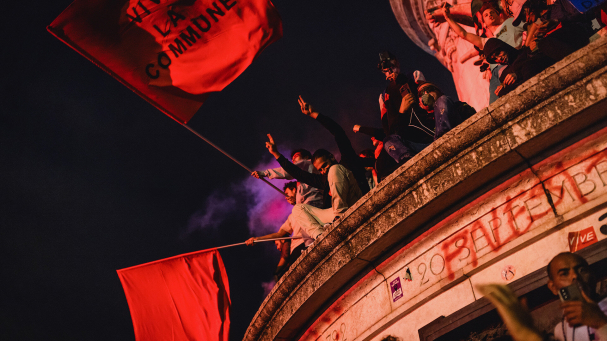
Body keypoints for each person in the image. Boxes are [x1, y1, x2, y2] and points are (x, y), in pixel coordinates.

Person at [263, 131, 362, 240]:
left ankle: (339, 217)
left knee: (334, 169)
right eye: (321, 169)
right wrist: (276, 154)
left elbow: (339, 134)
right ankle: (320, 236)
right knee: (297, 209)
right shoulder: (322, 179)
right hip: (332, 213)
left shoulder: (341, 166)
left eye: (325, 166)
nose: (324, 171)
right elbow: (298, 174)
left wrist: (315, 114)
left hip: (352, 202)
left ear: (332, 157)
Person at [440, 1, 526, 103]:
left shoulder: (510, 22)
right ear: (483, 23)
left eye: (492, 12)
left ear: (498, 14)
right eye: (485, 15)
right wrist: (448, 18)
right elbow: (464, 34)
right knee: (495, 103)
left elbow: (529, 25)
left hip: (513, 60)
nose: (489, 15)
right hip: (496, 73)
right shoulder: (487, 42)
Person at [245, 182, 314, 281]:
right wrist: (257, 239)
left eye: (287, 193)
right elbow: (279, 234)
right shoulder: (291, 217)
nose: (286, 197)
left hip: (307, 242)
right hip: (296, 250)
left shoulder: (309, 203)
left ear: (294, 190)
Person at [378, 52, 435, 163]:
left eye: (392, 67)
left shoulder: (414, 76)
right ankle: (408, 160)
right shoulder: (384, 96)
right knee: (388, 142)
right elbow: (389, 130)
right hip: (411, 143)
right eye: (386, 71)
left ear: (397, 63)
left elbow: (431, 99)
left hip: (430, 132)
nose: (390, 72)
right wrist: (402, 112)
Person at [546, 252, 607, 341]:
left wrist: (600, 322)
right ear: (553, 287)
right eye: (564, 274)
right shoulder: (560, 330)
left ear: (593, 277)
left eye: (582, 270)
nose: (575, 276)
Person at [252, 148, 325, 208]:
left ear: (306, 157)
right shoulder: (301, 177)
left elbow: (287, 171)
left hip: (314, 203)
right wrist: (295, 201)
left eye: (296, 156)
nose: (293, 160)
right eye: (292, 159)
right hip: (310, 205)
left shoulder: (307, 163)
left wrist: (264, 173)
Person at [483, 37, 554, 96]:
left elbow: (540, 62)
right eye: (495, 59)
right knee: (502, 92)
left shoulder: (526, 52)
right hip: (525, 94)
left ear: (504, 47)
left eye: (499, 53)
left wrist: (517, 74)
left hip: (541, 82)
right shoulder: (504, 75)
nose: (499, 58)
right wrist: (503, 87)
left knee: (528, 67)